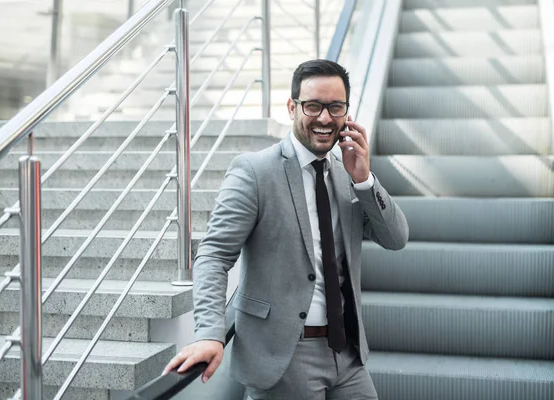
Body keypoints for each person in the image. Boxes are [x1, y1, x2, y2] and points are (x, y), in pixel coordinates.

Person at [163, 59, 409, 399]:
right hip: (284, 356)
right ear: (292, 106)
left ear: (346, 113)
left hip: (348, 355)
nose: (325, 118)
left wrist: (365, 179)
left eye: (335, 107)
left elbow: (396, 238)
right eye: (313, 106)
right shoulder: (254, 172)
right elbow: (214, 255)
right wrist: (209, 332)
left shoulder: (347, 174)